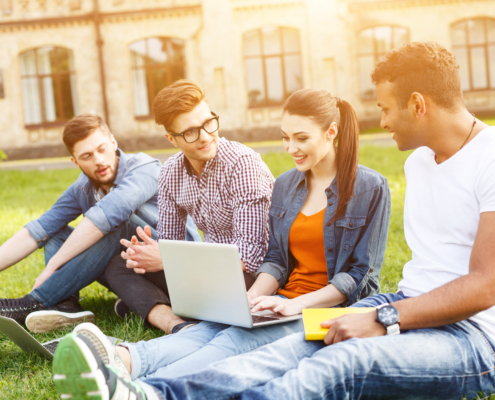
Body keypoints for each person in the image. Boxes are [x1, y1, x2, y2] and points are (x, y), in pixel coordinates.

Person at [53, 41, 495, 400]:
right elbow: (278, 260)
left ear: (417, 104)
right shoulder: (420, 162)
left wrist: (384, 318)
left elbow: (485, 285)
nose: (379, 121)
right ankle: (149, 393)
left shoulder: (487, 159)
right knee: (283, 349)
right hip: (403, 304)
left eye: (385, 108)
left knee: (338, 362)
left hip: (472, 336)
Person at [51, 86, 392, 399]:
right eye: (285, 137)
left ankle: (143, 392)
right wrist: (256, 295)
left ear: (331, 132)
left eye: (300, 138)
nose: (289, 149)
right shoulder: (288, 184)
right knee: (209, 329)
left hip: (326, 309)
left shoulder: (370, 188)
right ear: (173, 139)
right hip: (277, 296)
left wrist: (295, 305)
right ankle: (121, 360)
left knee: (231, 339)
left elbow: (360, 276)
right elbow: (276, 258)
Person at [0, 113, 199, 333]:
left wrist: (52, 266)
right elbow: (38, 229)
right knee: (55, 232)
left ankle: (36, 302)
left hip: (180, 269)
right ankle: (66, 304)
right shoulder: (82, 188)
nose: (99, 160)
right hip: (129, 268)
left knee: (117, 225)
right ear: (75, 161)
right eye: (86, 156)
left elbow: (108, 215)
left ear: (113, 142)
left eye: (102, 149)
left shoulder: (145, 168)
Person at [104, 79, 275, 333]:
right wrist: (151, 255)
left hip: (252, 277)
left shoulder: (243, 165)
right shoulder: (171, 172)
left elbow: (249, 258)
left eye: (208, 123)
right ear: (172, 139)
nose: (205, 137)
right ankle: (178, 324)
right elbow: (171, 241)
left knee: (205, 280)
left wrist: (167, 259)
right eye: (190, 132)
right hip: (208, 271)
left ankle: (152, 304)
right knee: (120, 264)